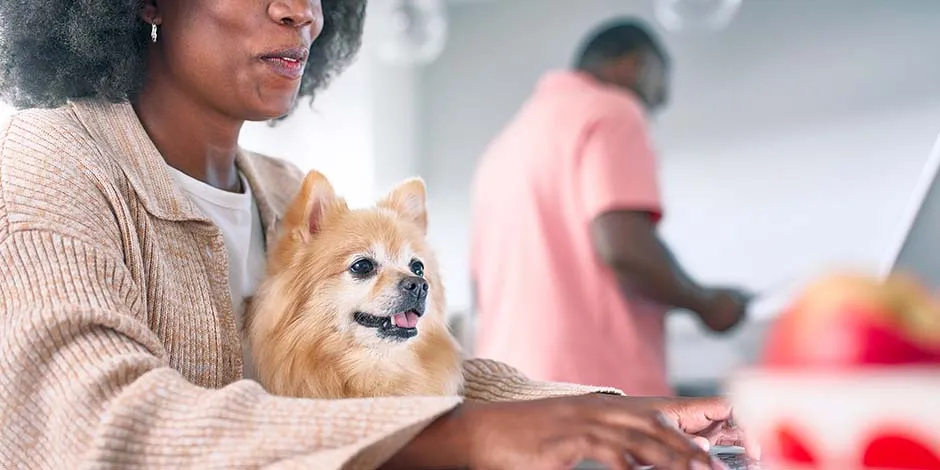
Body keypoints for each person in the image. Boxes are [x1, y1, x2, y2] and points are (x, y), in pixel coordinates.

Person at [0, 3, 751, 469]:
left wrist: (609, 409)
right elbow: (93, 426)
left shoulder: (286, 192)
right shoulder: (51, 167)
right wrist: (465, 441)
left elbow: (417, 366)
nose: (303, 11)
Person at [470, 18, 751, 397]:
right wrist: (705, 303)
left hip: (504, 395)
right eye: (658, 86)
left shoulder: (503, 146)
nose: (659, 103)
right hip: (594, 397)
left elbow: (479, 289)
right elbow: (625, 249)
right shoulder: (614, 109)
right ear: (634, 64)